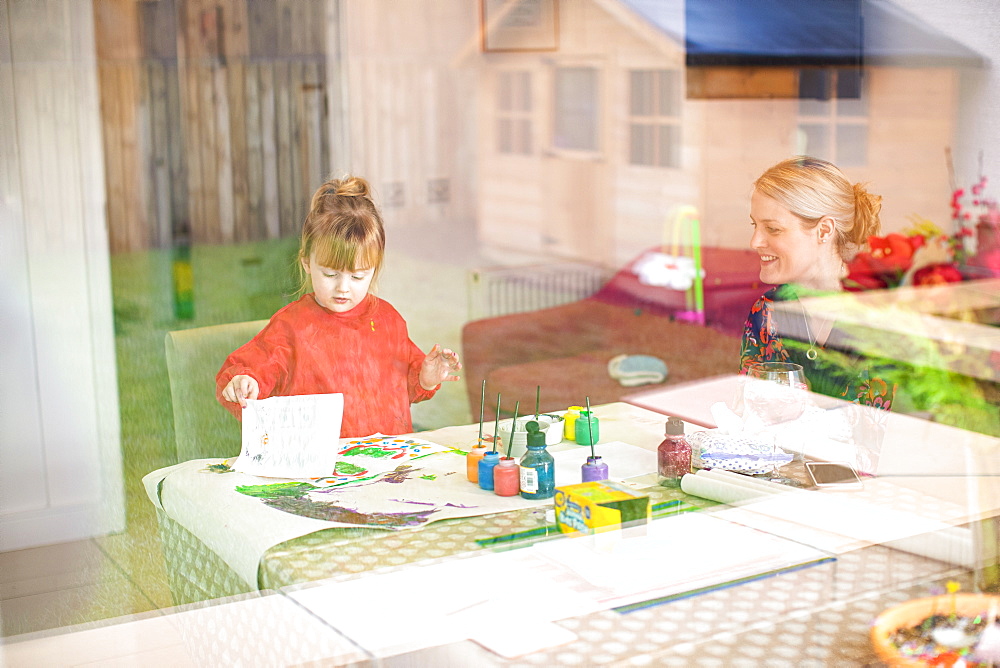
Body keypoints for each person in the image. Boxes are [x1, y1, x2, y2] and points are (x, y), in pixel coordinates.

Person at [217, 175, 462, 437]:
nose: (343, 287)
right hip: (320, 471)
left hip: (387, 467)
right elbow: (254, 370)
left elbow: (404, 389)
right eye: (331, 275)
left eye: (358, 276)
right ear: (307, 263)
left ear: (374, 270)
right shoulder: (291, 328)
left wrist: (426, 377)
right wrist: (244, 381)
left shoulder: (388, 321)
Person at [740, 156, 896, 410]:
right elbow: (749, 419)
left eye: (773, 229)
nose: (755, 241)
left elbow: (889, 436)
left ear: (824, 231)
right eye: (755, 225)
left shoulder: (880, 317)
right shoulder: (766, 312)